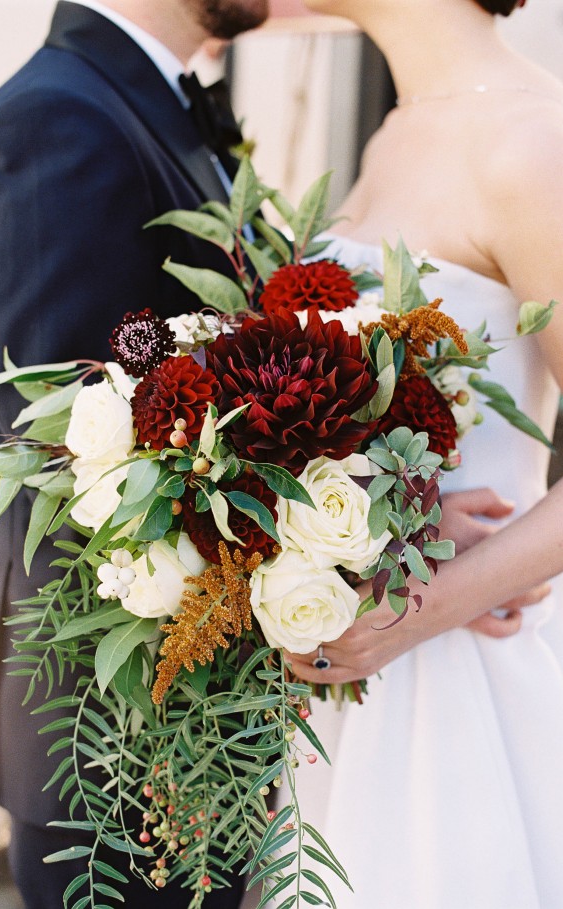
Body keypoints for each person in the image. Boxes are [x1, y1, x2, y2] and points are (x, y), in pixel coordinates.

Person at [0, 1, 267, 906]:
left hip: (196, 710)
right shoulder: (55, 119)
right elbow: (56, 449)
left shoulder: (153, 100)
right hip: (115, 733)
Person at [285, 0, 563, 906]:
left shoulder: (533, 146)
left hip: (466, 667)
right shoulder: (398, 127)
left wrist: (410, 612)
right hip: (348, 673)